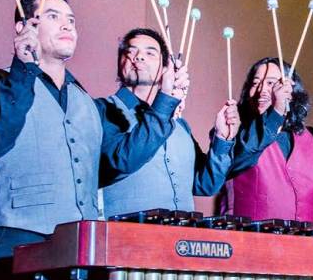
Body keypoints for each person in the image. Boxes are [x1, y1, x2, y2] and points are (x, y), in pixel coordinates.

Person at [0, 0, 188, 280]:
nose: (67, 24)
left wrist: (165, 101)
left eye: (71, 19)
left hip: (78, 250)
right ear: (23, 27)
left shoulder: (86, 100)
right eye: (53, 16)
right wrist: (23, 69)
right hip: (18, 242)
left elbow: (117, 162)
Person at [98, 27, 239, 216]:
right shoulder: (102, 110)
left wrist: (222, 140)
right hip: (127, 231)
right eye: (130, 52)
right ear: (120, 63)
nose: (138, 57)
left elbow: (204, 185)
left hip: (181, 232)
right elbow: (122, 161)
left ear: (166, 69)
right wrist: (165, 101)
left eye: (150, 53)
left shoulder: (179, 124)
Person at [219, 57, 313, 223]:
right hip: (249, 237)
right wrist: (275, 114)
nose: (262, 90)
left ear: (291, 91)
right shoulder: (234, 131)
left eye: (271, 83)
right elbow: (233, 161)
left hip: (302, 238)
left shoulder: (309, 137)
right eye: (255, 83)